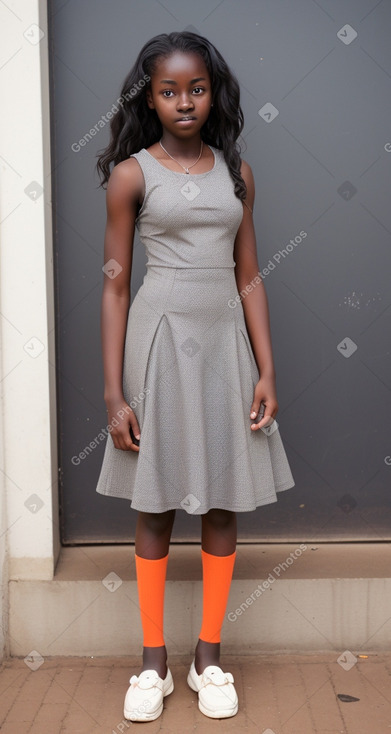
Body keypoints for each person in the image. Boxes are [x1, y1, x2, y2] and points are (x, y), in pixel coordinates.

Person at [95, 30, 295, 722]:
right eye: (169, 90)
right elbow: (115, 286)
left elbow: (248, 277)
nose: (184, 101)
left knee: (220, 501)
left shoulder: (236, 171)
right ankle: (153, 663)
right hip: (157, 346)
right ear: (148, 97)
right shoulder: (131, 174)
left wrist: (266, 367)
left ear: (214, 93)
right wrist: (113, 390)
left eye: (197, 88)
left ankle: (208, 656)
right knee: (153, 504)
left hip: (222, 350)